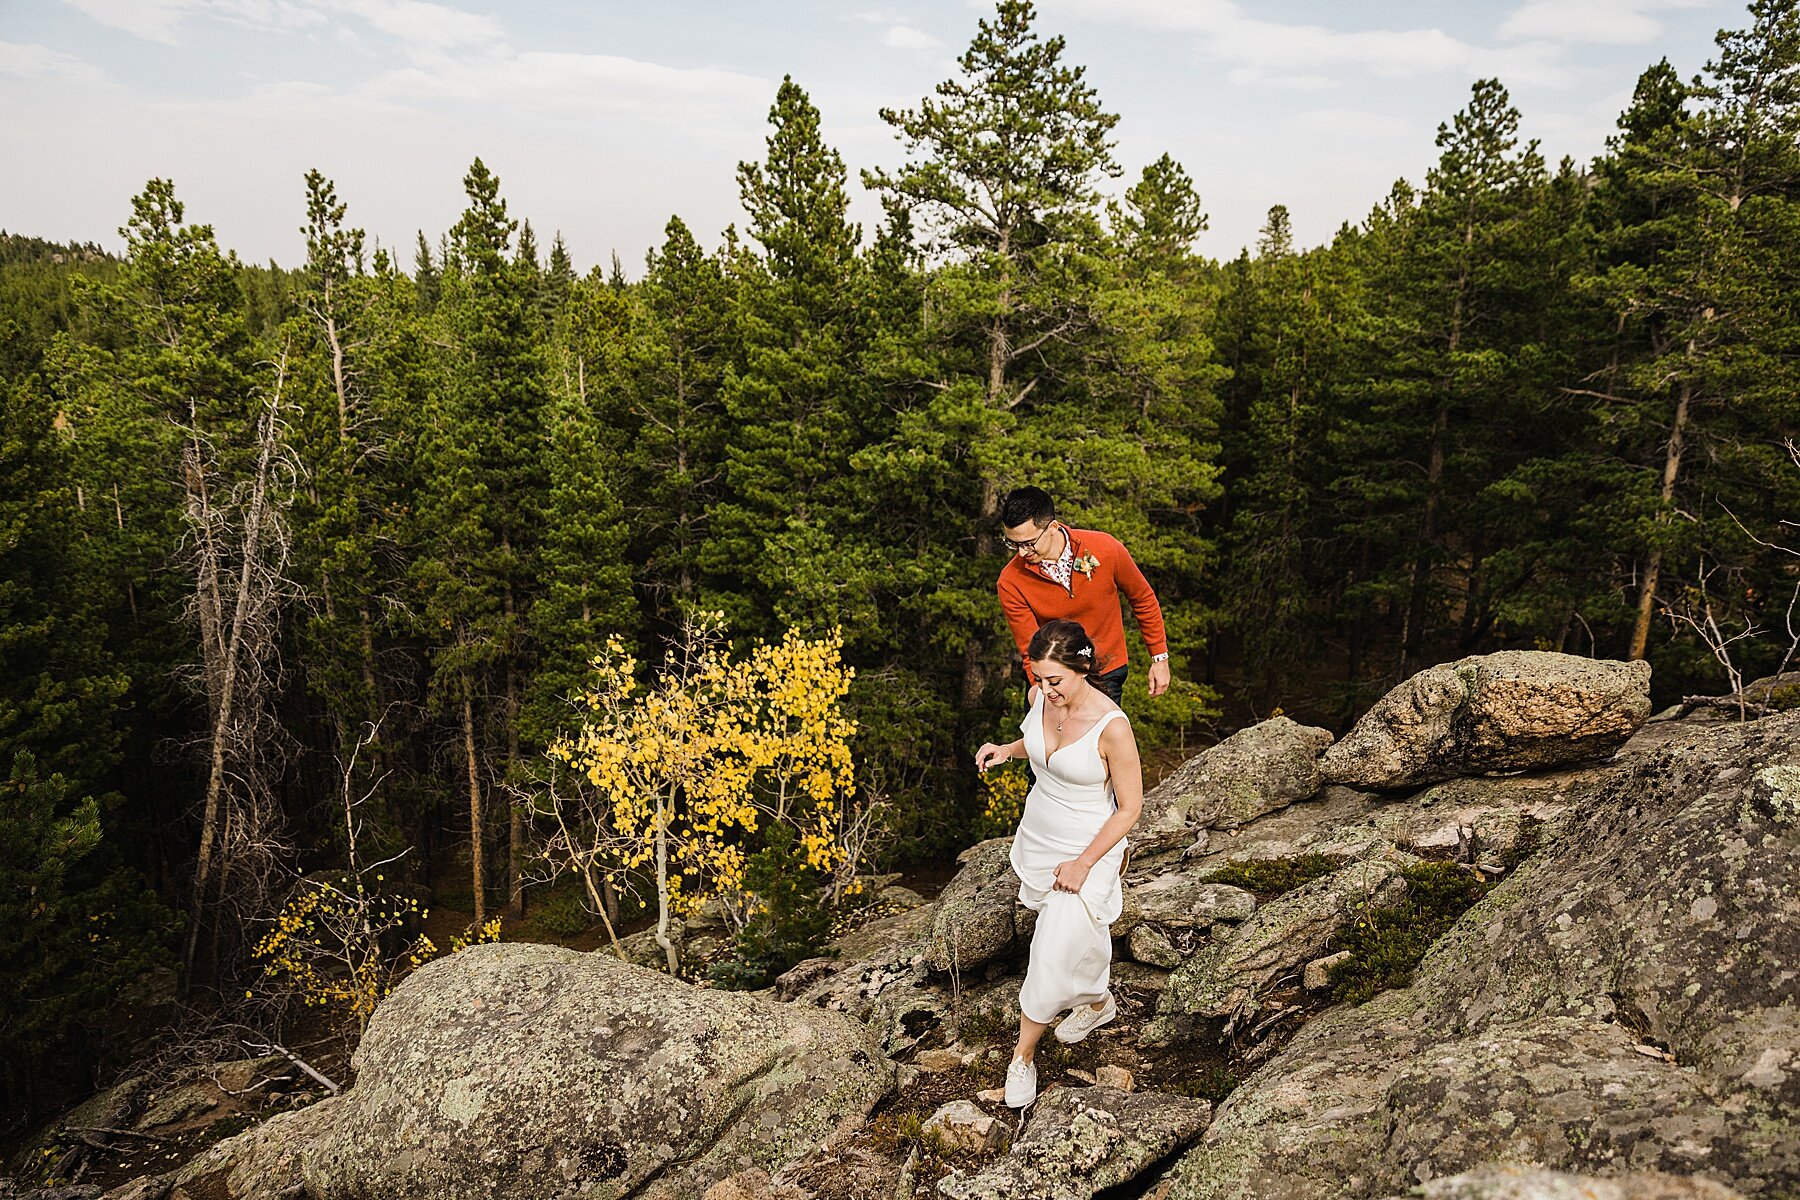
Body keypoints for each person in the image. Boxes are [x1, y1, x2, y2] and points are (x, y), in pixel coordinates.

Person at [974, 618, 1144, 1109]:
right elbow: (1037, 741)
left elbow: (1131, 807)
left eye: (1056, 681)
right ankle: (1096, 1002)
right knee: (1076, 935)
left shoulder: (1112, 728)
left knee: (1052, 943)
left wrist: (1085, 864)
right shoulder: (1037, 699)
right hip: (1042, 835)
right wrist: (1006, 750)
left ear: (1083, 668)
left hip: (1089, 846)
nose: (1046, 691)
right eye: (1039, 679)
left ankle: (1022, 1057)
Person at [996, 486, 1171, 705]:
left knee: (1102, 739)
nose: (1022, 552)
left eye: (1028, 543)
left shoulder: (1106, 548)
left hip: (1105, 672)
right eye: (1013, 544)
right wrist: (1042, 695)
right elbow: (1029, 648)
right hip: (1052, 681)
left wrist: (1159, 658)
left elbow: (1143, 598)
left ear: (1052, 527)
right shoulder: (1010, 581)